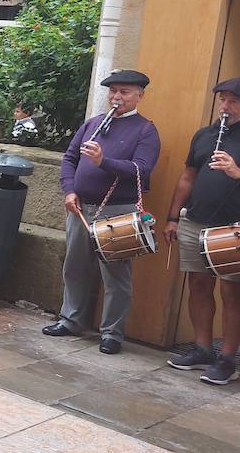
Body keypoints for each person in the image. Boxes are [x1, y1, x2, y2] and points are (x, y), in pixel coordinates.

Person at [43, 71, 160, 354]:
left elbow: (141, 171)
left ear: (140, 96)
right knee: (74, 265)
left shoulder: (146, 130)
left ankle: (112, 333)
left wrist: (103, 161)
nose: (117, 97)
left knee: (116, 274)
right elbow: (70, 158)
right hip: (82, 206)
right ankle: (71, 319)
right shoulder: (93, 124)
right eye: (113, 92)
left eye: (125, 92)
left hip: (117, 210)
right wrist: (70, 190)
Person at [165, 78, 240, 384]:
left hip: (232, 226)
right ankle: (202, 348)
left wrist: (236, 171)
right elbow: (187, 177)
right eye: (222, 100)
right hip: (195, 221)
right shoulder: (205, 135)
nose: (225, 107)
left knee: (231, 292)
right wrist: (172, 217)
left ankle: (227, 358)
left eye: (233, 101)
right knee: (197, 284)